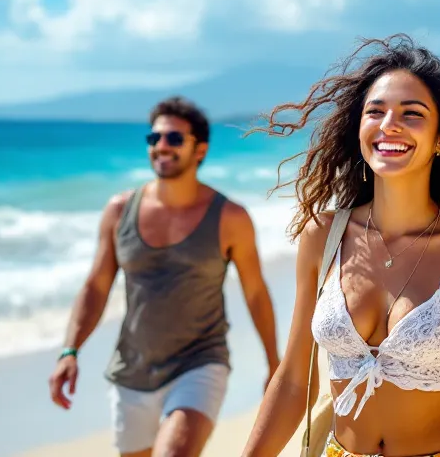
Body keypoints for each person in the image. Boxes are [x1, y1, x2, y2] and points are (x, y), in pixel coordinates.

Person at [240, 36, 440, 457]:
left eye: (411, 114)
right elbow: (294, 381)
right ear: (358, 129)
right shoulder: (323, 237)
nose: (389, 125)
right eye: (375, 112)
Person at [48, 96, 279, 457]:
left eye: (174, 139)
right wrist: (70, 350)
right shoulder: (119, 210)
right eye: (154, 139)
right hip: (132, 369)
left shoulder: (230, 218)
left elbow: (255, 292)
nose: (161, 147)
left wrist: (274, 364)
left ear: (199, 150)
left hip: (200, 362)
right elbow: (97, 285)